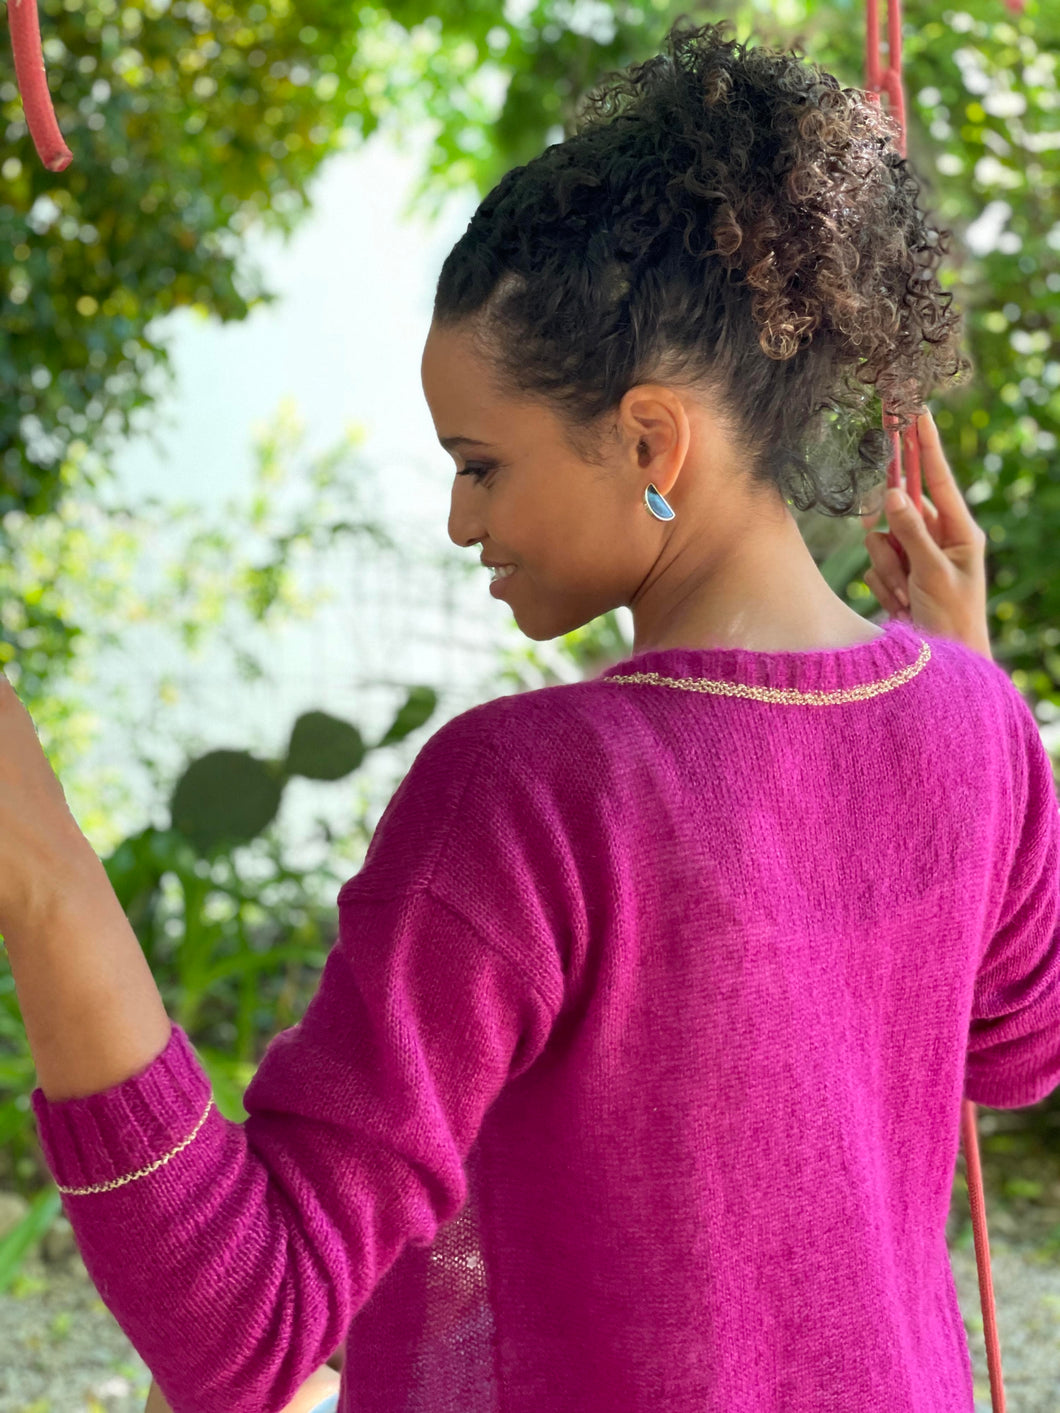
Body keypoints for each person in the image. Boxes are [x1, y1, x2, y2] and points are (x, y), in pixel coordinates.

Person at [25, 18, 1057, 1413]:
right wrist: (969, 682)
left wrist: (43, 881)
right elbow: (1015, 1043)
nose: (459, 521)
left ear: (648, 443)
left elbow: (252, 1323)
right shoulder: (973, 719)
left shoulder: (533, 795)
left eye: (481, 464)